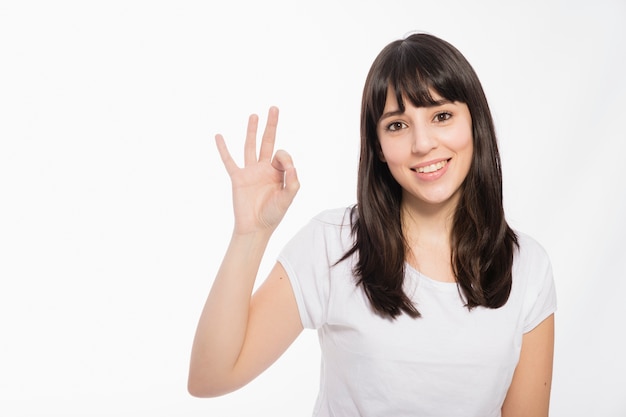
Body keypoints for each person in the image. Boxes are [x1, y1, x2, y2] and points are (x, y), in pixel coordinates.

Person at [188, 32, 556, 417]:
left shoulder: (527, 266)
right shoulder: (332, 245)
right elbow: (210, 377)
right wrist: (250, 235)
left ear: (475, 122)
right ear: (378, 145)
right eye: (397, 125)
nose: (423, 143)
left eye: (441, 116)